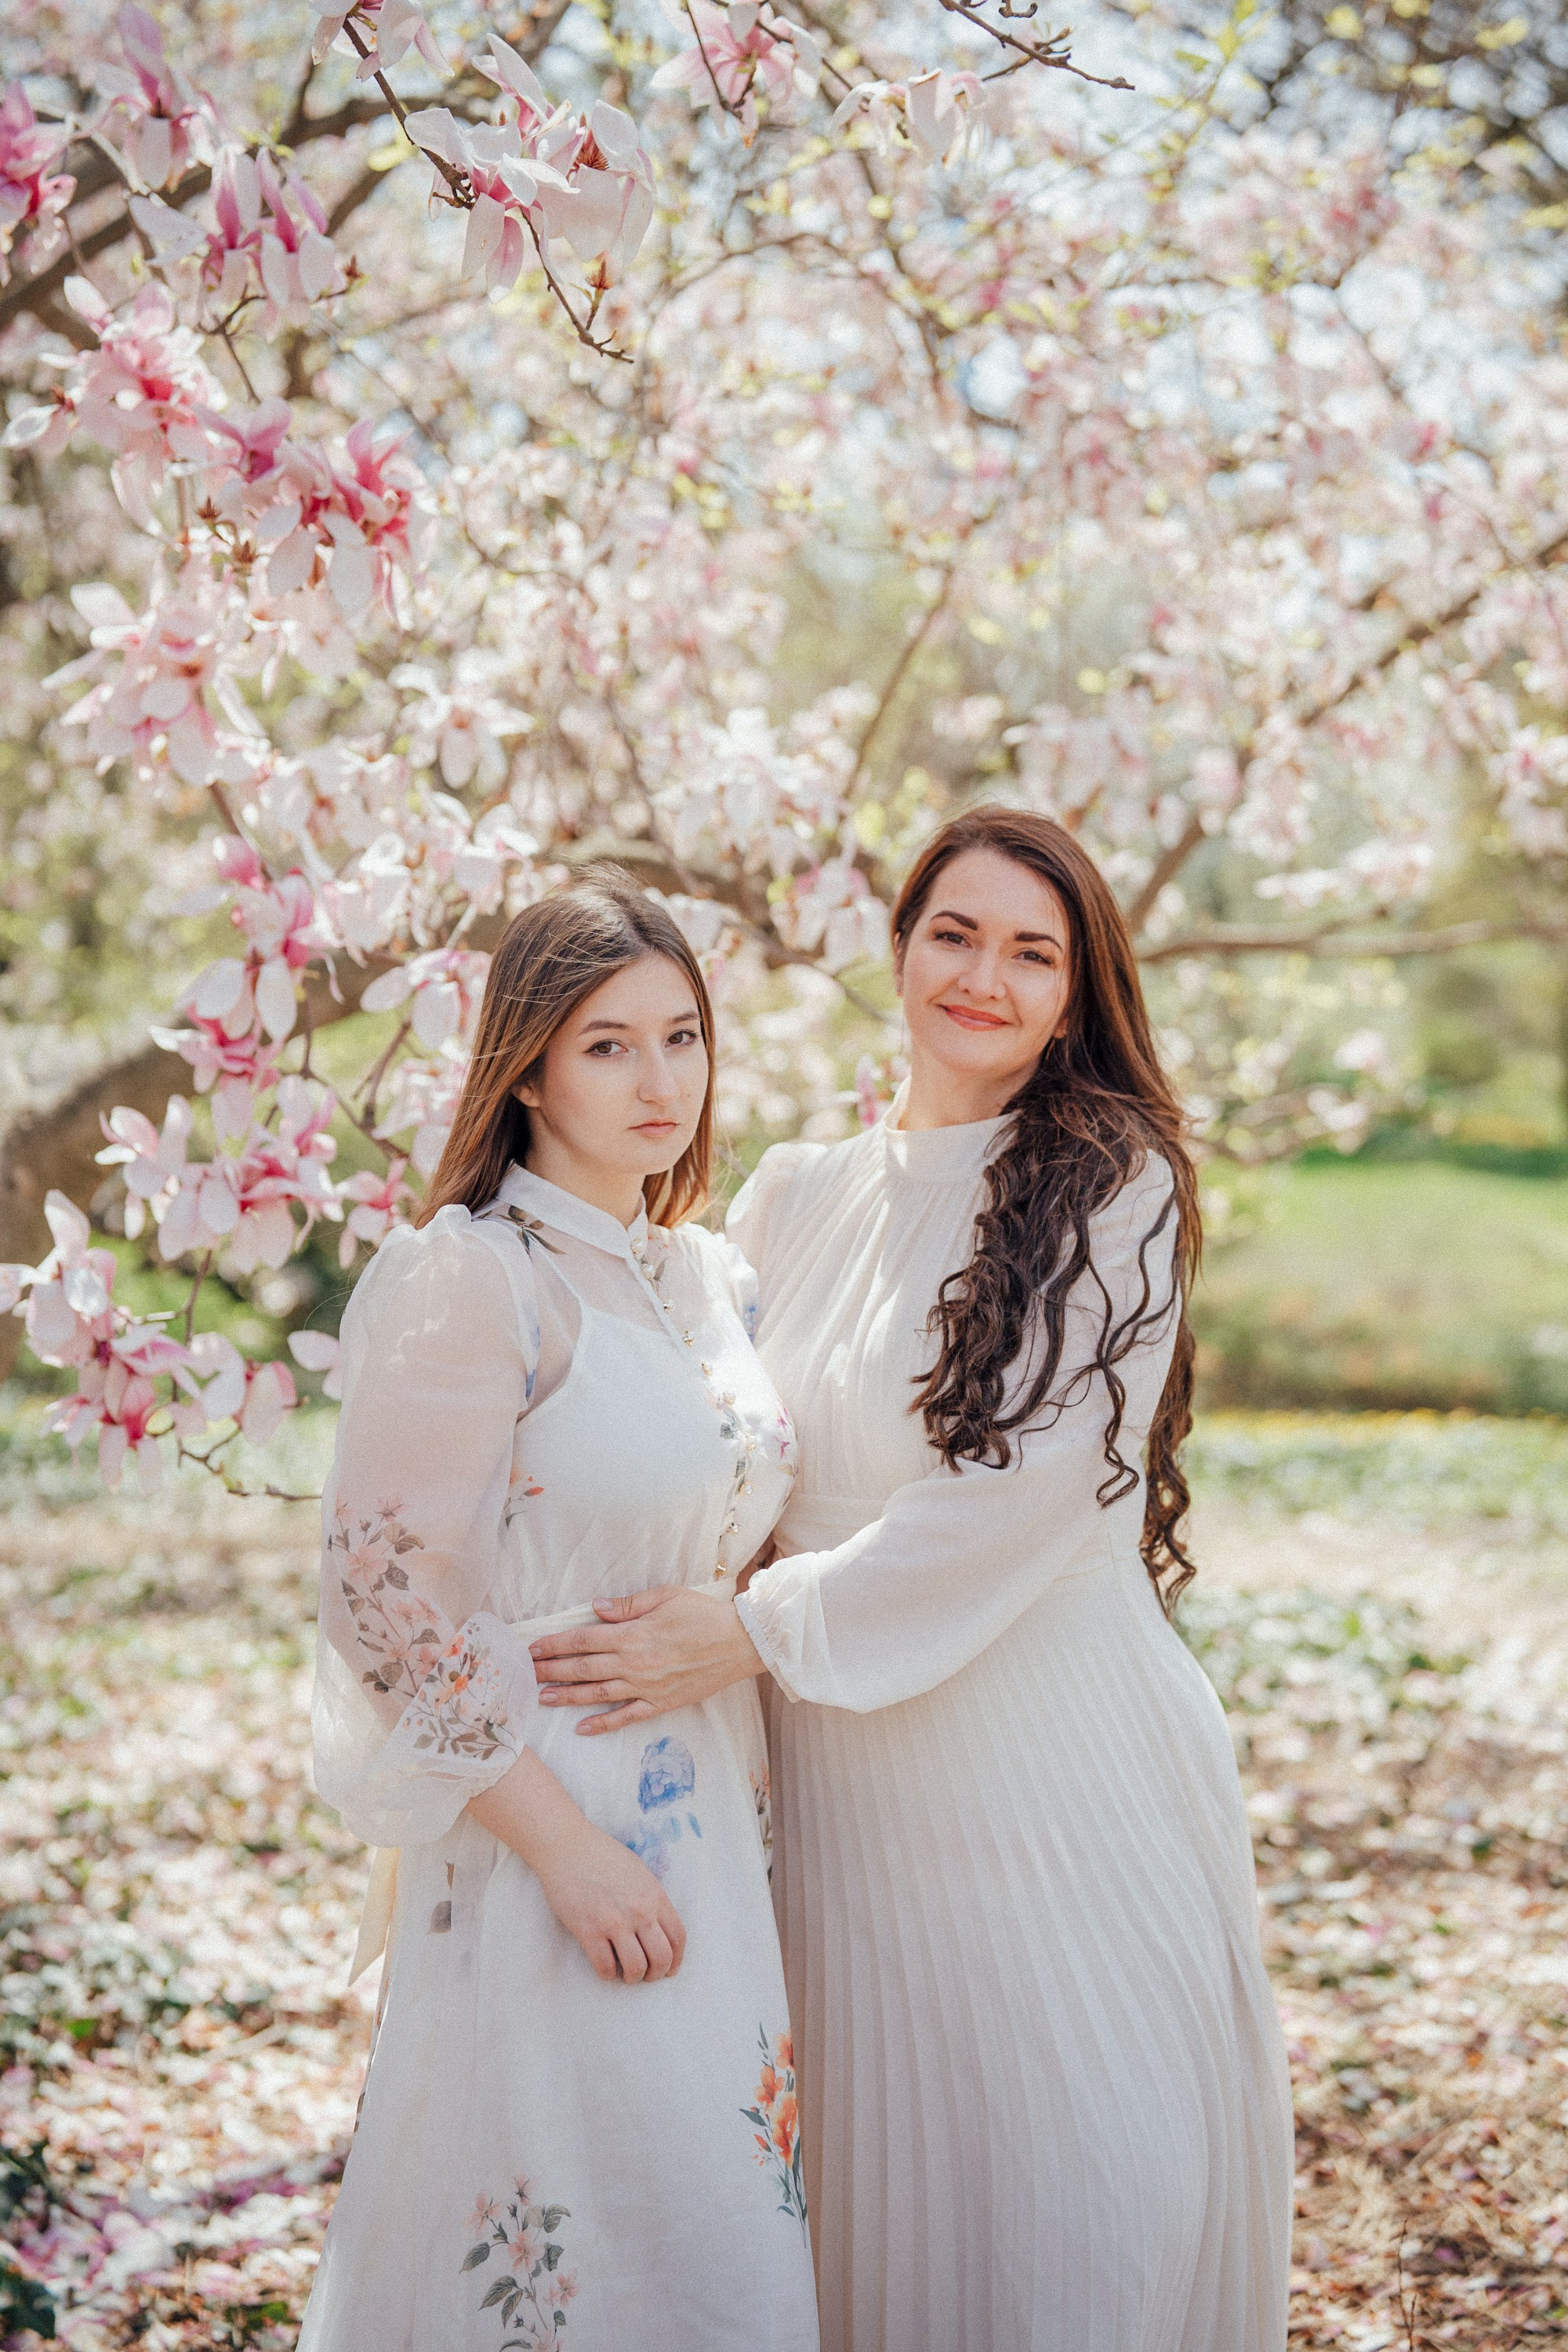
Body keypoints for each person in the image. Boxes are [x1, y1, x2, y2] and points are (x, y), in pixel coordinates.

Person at [531, 808, 1294, 2352]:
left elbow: (1011, 1504)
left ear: (1077, 997)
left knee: (1074, 2215)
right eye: (953, 933)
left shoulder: (1112, 1184)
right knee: (875, 2235)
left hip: (1053, 1777)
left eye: (1032, 953)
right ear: (897, 948)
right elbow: (705, 1454)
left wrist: (744, 1628)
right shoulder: (793, 1199)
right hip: (838, 1800)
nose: (982, 978)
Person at [298, 874, 818, 2352]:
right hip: (552, 1827)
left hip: (718, 1812)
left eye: (682, 1038)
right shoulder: (475, 1277)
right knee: (568, 2228)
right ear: (526, 1064)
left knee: (709, 2216)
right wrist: (571, 1853)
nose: (662, 1081)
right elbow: (386, 1602)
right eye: (608, 1046)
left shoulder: (709, 1279)